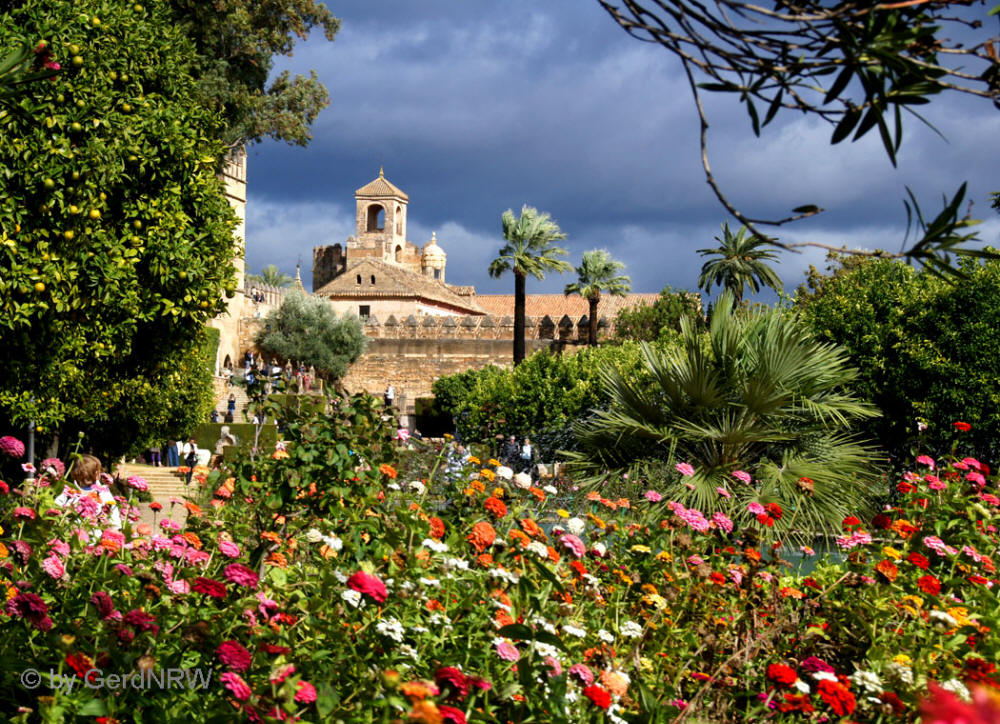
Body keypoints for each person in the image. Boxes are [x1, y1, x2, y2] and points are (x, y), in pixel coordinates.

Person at [55, 454, 121, 529]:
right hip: (68, 529)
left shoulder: (102, 491)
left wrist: (115, 527)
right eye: (98, 471)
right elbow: (57, 505)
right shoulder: (69, 490)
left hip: (93, 530)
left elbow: (113, 509)